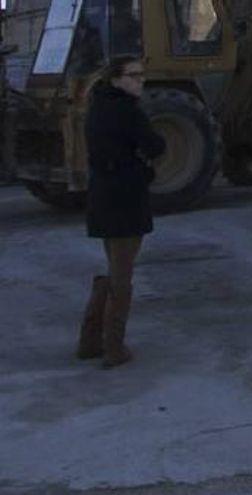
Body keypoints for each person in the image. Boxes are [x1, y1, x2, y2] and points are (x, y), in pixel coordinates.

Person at [77, 56, 166, 369]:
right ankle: (113, 347)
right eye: (133, 75)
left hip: (103, 195)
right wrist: (144, 169)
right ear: (116, 79)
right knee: (122, 276)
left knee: (114, 267)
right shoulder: (128, 111)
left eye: (142, 75)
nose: (140, 81)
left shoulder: (96, 106)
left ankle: (90, 340)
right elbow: (156, 145)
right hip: (125, 196)